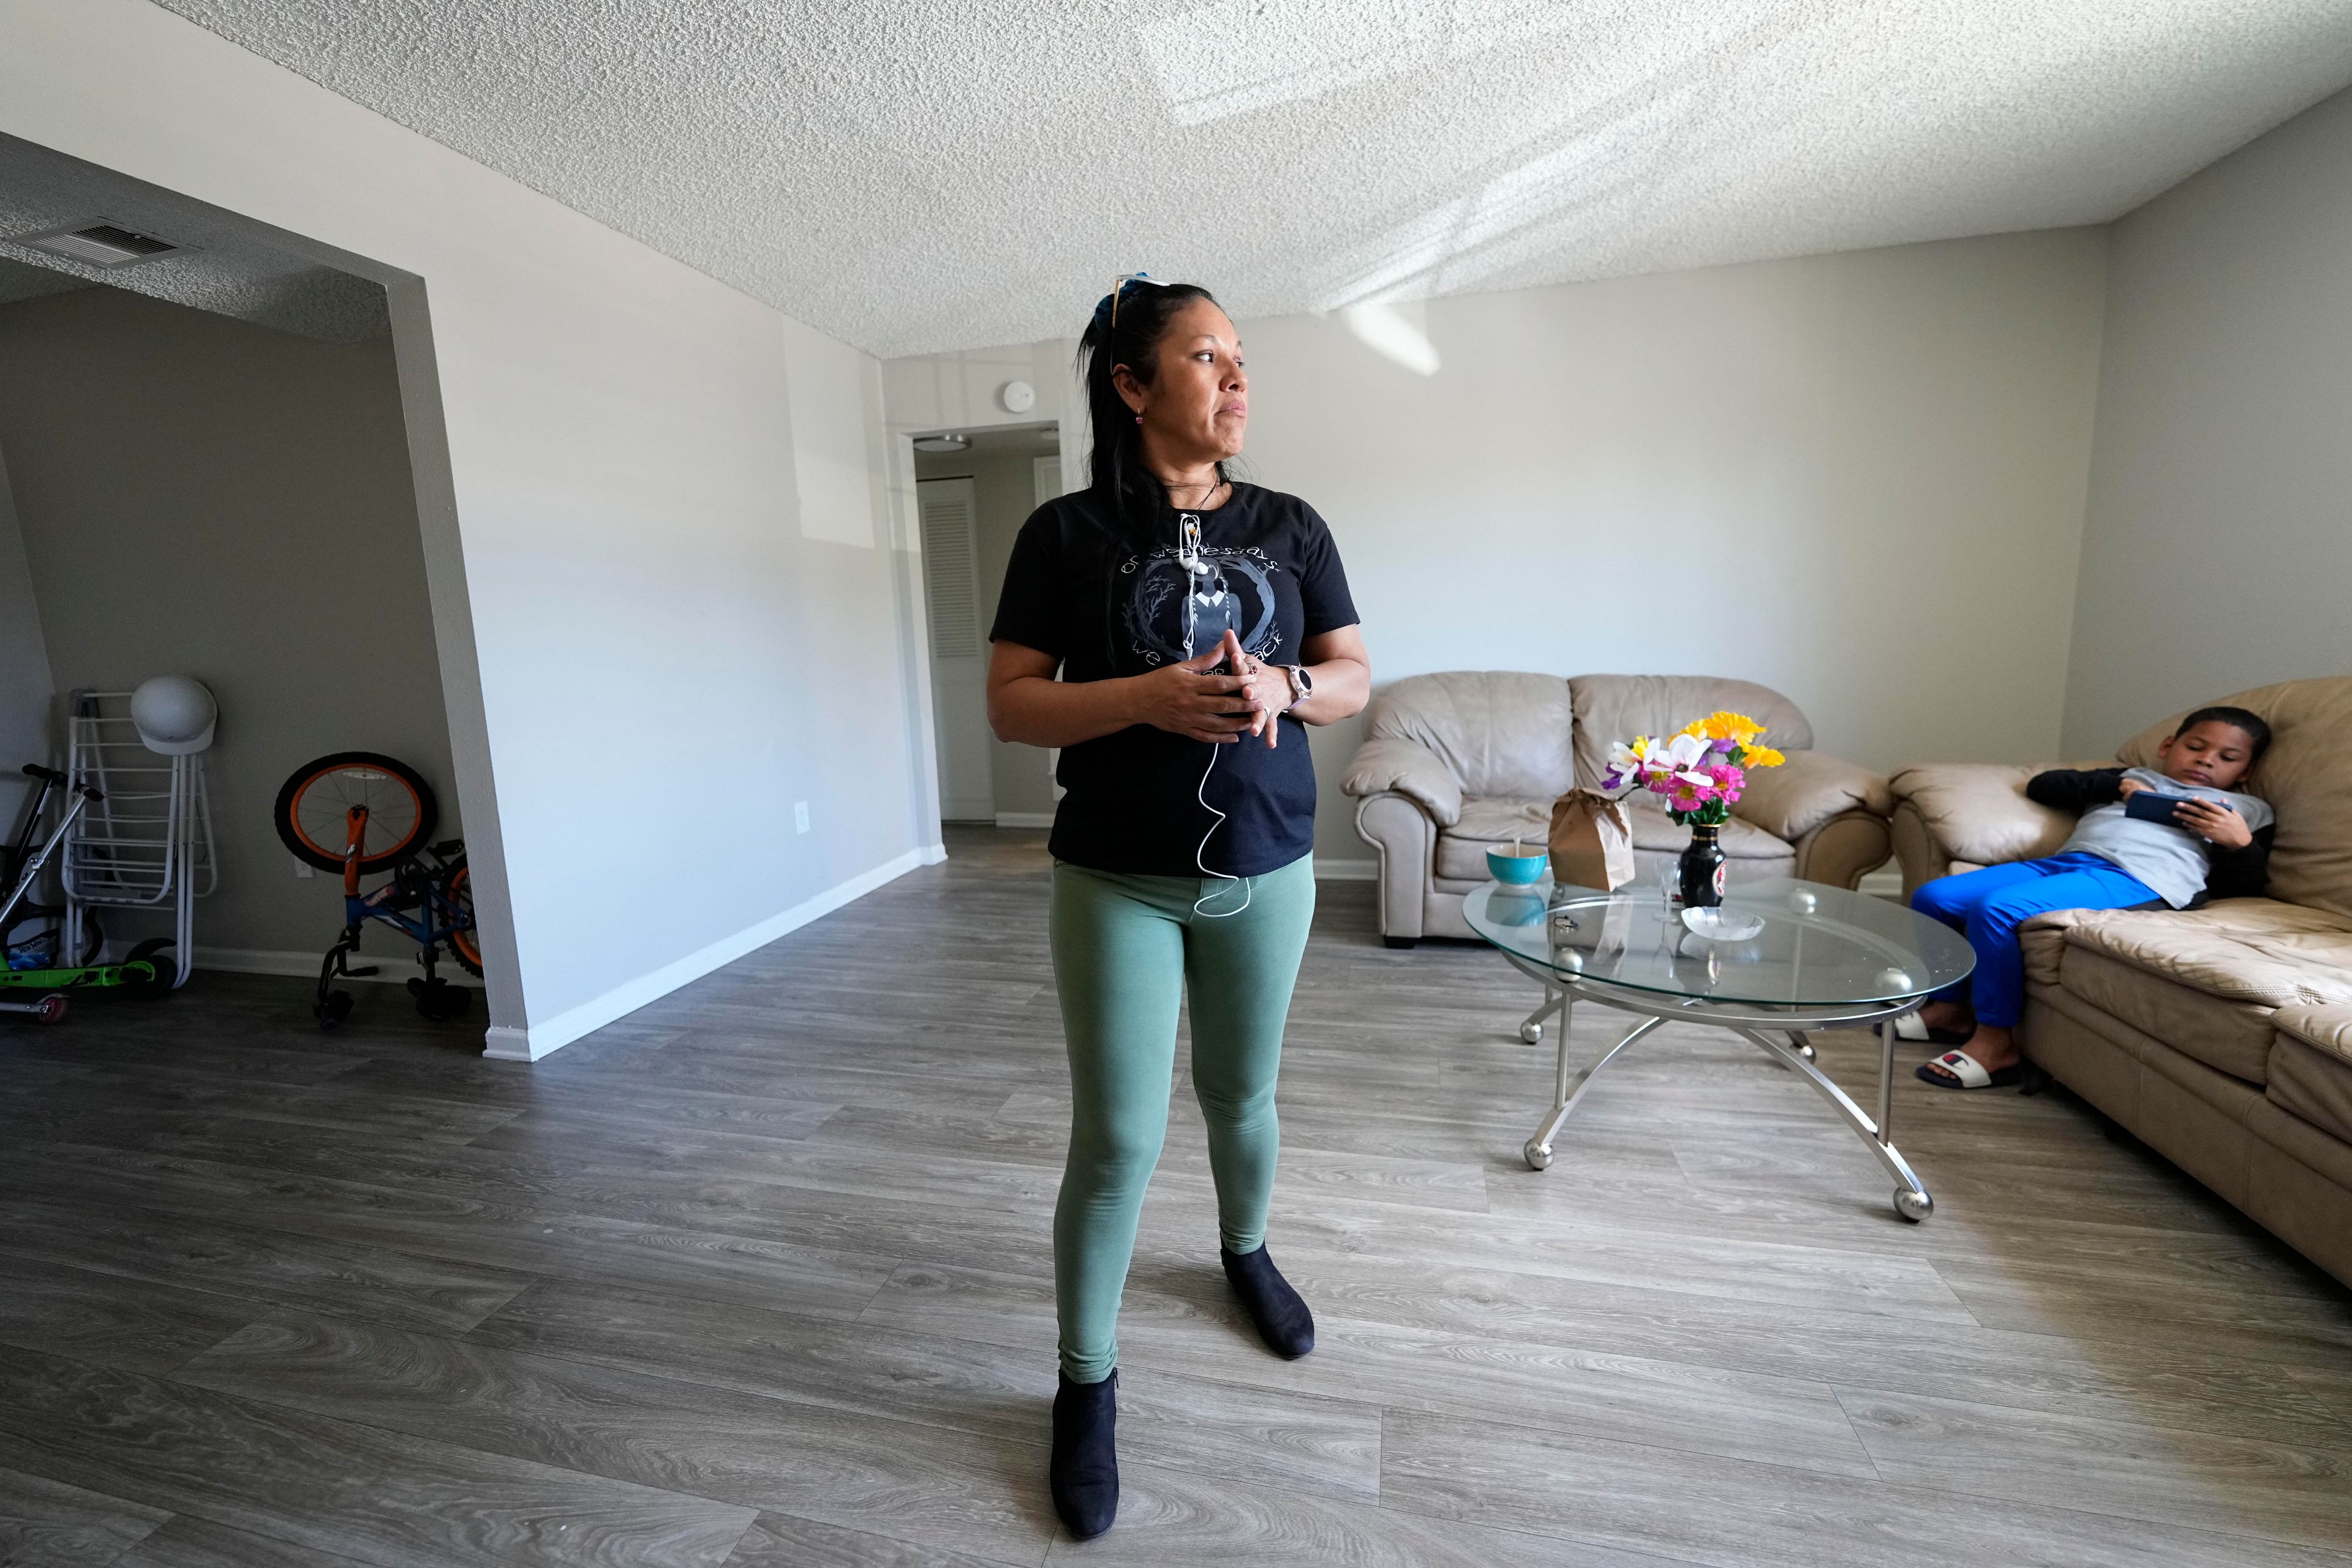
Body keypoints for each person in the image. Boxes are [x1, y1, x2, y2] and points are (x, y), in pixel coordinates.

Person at [984, 276, 1371, 1539]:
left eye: (1241, 357)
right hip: (1116, 878)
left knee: (1245, 1095)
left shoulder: (1295, 524)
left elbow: (1354, 676)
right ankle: (1085, 1380)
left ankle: (1245, 1253)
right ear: (1136, 386)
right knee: (1115, 1140)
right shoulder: (1063, 532)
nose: (1237, 377)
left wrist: (1290, 682)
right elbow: (1012, 701)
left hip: (1268, 864)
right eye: (1207, 356)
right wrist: (1142, 696)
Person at [1909, 706, 2275, 1089]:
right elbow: (2044, 786)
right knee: (1934, 897)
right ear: (2169, 746)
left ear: (2245, 772)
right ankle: (1949, 1009)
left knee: (1997, 909)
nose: (2206, 759)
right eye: (2196, 747)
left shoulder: (2248, 811)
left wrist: (2239, 844)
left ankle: (1997, 1042)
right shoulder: (2131, 778)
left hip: (2138, 878)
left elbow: (2245, 885)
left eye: (2227, 757)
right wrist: (2118, 788)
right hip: (2066, 864)